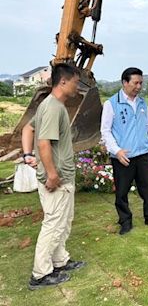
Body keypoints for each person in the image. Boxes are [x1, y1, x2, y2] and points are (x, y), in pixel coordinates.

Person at [21, 64, 86, 290]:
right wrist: (51, 174)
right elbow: (44, 142)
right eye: (76, 82)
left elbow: (28, 129)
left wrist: (27, 155)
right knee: (53, 225)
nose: (78, 87)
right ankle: (40, 274)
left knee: (63, 223)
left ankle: (59, 261)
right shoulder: (52, 108)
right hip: (56, 180)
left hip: (63, 177)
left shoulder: (52, 106)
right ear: (63, 82)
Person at [100, 67, 148, 235]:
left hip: (143, 153)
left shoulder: (142, 103)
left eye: (141, 83)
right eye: (135, 83)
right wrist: (117, 150)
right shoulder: (111, 104)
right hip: (123, 156)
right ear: (125, 82)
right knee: (122, 191)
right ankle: (125, 221)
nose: (139, 86)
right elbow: (105, 131)